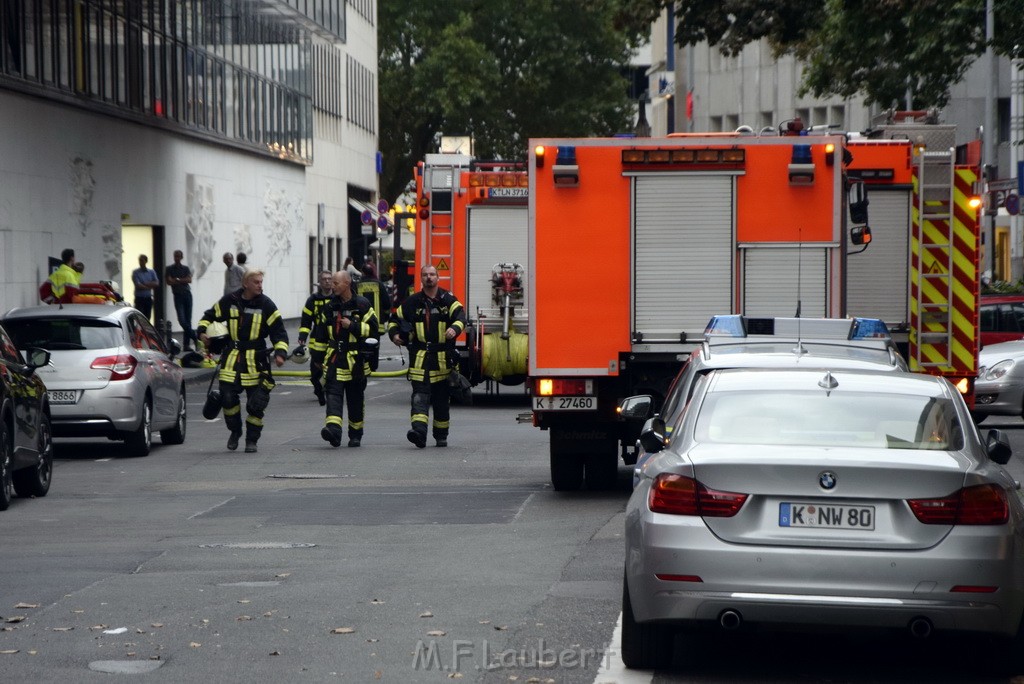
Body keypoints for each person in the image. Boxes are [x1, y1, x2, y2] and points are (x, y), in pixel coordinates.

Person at [197, 269, 289, 453]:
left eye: (261, 282)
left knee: (256, 404)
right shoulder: (229, 301)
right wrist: (202, 332)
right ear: (245, 283)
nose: (260, 286)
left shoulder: (267, 304)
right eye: (256, 282)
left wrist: (280, 353)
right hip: (232, 358)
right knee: (228, 398)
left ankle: (251, 440)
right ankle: (235, 430)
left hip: (257, 359)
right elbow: (208, 317)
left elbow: (279, 332)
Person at [388, 265, 467, 448]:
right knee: (419, 398)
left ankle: (441, 435)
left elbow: (461, 317)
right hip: (420, 357)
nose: (429, 278)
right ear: (421, 279)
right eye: (425, 275)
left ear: (438, 278)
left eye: (432, 274)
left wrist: (454, 329)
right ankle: (419, 433)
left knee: (441, 400)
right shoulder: (412, 302)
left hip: (442, 359)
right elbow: (395, 320)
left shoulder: (448, 299)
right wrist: (395, 335)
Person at [313, 270, 377, 448]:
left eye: (336, 283)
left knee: (355, 398)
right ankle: (333, 431)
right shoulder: (329, 307)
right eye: (332, 283)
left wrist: (353, 326)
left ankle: (355, 434)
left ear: (347, 283)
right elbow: (320, 334)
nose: (332, 286)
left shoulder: (362, 305)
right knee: (333, 395)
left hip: (356, 360)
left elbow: (374, 330)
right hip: (335, 358)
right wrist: (317, 358)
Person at [296, 270, 334, 405]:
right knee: (316, 368)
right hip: (316, 339)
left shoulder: (337, 298)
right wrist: (302, 336)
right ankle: (318, 387)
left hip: (333, 338)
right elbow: (306, 321)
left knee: (332, 365)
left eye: (330, 279)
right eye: (324, 279)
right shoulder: (313, 300)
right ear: (320, 282)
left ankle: (330, 389)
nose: (327, 281)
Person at [356, 262, 391, 371]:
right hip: (376, 323)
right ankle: (373, 367)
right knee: (374, 344)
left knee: (360, 344)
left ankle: (361, 365)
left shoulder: (357, 285)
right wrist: (385, 317)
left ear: (362, 272)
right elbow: (387, 303)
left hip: (360, 323)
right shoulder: (379, 284)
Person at [165, 250, 197, 351]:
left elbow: (189, 280)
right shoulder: (169, 268)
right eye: (175, 256)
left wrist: (177, 280)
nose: (177, 258)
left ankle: (186, 345)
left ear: (181, 257)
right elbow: (169, 281)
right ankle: (195, 337)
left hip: (187, 294)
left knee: (188, 320)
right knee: (182, 320)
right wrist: (181, 280)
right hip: (178, 296)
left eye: (179, 256)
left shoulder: (186, 268)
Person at [131, 254, 159, 319]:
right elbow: (138, 285)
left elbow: (156, 283)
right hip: (139, 298)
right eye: (140, 260)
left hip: (148, 298)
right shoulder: (136, 272)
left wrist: (145, 283)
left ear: (146, 261)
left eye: (142, 260)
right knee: (139, 317)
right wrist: (149, 286)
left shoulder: (151, 272)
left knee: (147, 317)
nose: (140, 262)